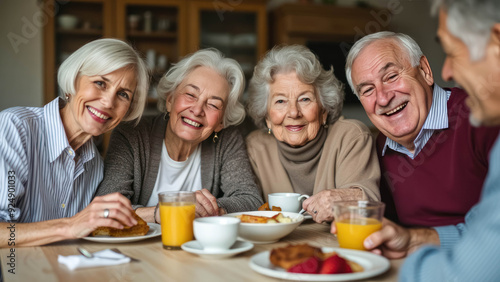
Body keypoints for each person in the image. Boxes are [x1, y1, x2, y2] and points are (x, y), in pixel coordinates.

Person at [0, 38, 149, 247]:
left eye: (123, 94)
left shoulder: (95, 164)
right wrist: (68, 227)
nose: (108, 102)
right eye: (100, 83)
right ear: (73, 81)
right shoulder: (15, 129)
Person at [345, 31, 500, 228]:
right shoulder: (379, 148)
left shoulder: (482, 119)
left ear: (425, 70)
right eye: (367, 90)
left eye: (391, 76)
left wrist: (420, 239)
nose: (383, 99)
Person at [95, 48, 263, 222]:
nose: (197, 110)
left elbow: (250, 199)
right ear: (170, 99)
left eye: (213, 104)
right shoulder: (132, 133)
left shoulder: (228, 140)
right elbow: (106, 207)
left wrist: (208, 209)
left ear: (221, 122)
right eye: (190, 95)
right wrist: (165, 211)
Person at [246, 45, 381, 223]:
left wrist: (341, 200)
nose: (294, 112)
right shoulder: (256, 147)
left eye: (305, 99)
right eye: (280, 101)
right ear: (267, 117)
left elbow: (367, 203)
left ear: (323, 110)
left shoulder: (351, 136)